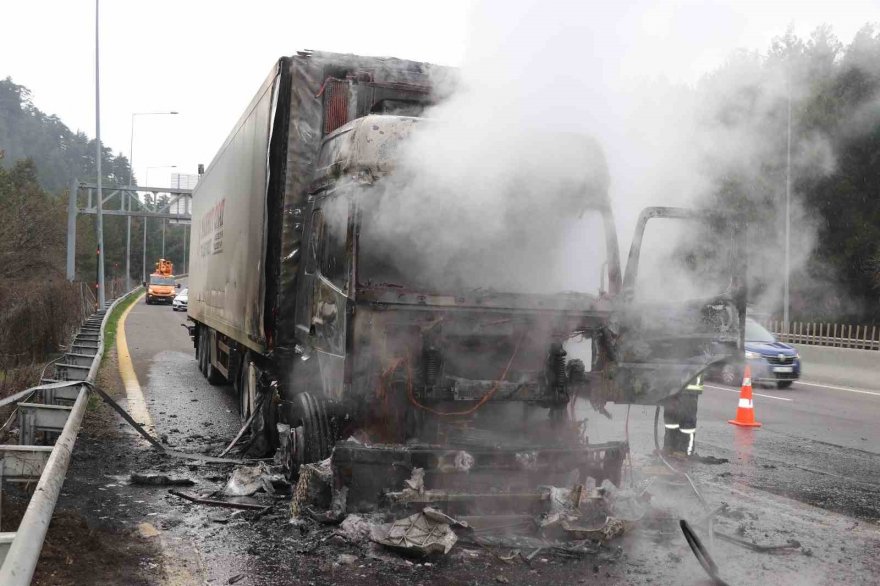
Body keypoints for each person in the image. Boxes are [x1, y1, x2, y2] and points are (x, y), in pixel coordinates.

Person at [662, 374, 703, 456]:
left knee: (687, 419)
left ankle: (684, 450)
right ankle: (669, 446)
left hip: (690, 384)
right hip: (673, 383)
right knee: (671, 418)